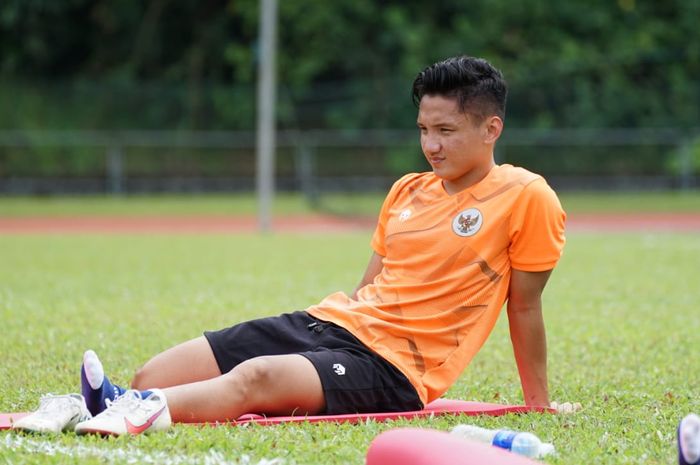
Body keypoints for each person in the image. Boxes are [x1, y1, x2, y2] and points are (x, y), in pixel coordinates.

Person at [13, 55, 568, 436]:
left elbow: (523, 306)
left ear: (491, 128)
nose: (430, 144)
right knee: (153, 375)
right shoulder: (408, 188)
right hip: (331, 324)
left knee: (254, 379)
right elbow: (370, 285)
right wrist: (324, 340)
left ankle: (126, 413)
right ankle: (114, 399)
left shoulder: (526, 196)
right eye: (423, 128)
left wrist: (536, 402)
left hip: (396, 369)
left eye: (445, 131)